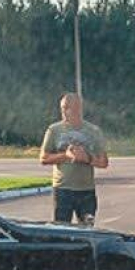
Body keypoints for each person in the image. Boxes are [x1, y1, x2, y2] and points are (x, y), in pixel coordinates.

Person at [40, 93, 109, 225]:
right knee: (61, 230)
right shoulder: (54, 130)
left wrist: (87, 158)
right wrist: (65, 155)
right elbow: (44, 158)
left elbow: (104, 162)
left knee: (87, 229)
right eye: (62, 108)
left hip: (86, 191)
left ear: (78, 108)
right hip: (63, 190)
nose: (64, 112)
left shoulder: (93, 131)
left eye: (67, 108)